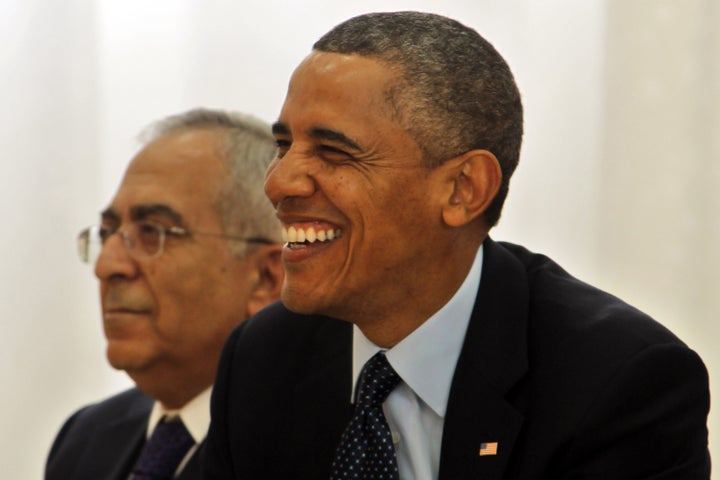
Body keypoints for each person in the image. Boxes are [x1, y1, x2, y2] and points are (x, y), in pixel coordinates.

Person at [203, 11, 711, 480]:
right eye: (284, 146)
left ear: (463, 189)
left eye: (334, 152)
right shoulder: (263, 359)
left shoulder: (617, 383)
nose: (278, 182)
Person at [45, 108, 284, 480]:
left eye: (153, 232)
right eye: (108, 232)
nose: (107, 266)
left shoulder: (319, 448)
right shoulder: (86, 437)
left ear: (266, 277)